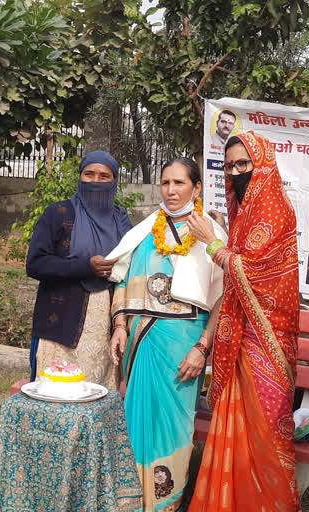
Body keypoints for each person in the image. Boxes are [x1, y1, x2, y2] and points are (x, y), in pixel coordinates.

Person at [186, 131, 300, 511]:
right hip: (240, 334)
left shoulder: (274, 209)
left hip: (266, 341)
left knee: (263, 433)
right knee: (238, 427)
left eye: (243, 164)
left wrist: (211, 242)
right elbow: (243, 256)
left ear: (262, 164)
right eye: (229, 165)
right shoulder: (246, 212)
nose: (236, 172)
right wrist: (223, 229)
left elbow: (253, 272)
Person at [107, 157, 227, 511]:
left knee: (174, 429)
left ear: (197, 187)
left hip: (183, 346)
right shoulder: (145, 232)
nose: (171, 191)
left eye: (179, 183)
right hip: (141, 341)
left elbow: (223, 297)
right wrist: (118, 326)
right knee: (132, 426)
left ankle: (164, 503)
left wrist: (202, 348)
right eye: (165, 183)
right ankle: (127, 502)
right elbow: (123, 281)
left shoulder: (211, 235)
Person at [27, 151, 132, 388]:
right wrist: (86, 266)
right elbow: (35, 263)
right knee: (55, 391)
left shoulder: (121, 220)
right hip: (60, 324)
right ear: (80, 177)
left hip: (104, 324)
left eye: (104, 176)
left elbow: (131, 267)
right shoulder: (59, 213)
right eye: (89, 174)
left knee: (96, 394)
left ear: (114, 181)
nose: (96, 181)